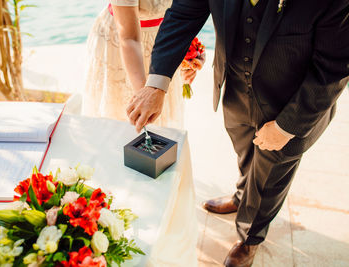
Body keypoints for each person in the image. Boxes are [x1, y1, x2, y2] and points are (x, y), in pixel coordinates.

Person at [126, 0, 349, 266]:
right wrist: (156, 84)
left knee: (270, 176)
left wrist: (286, 126)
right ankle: (243, 195)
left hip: (291, 104)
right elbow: (183, 15)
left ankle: (249, 237)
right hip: (234, 87)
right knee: (245, 153)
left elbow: (334, 67)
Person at [82, 0, 200, 129]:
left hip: (165, 39)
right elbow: (129, 38)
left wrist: (191, 51)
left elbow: (187, 12)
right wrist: (145, 93)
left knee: (163, 123)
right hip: (123, 44)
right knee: (125, 120)